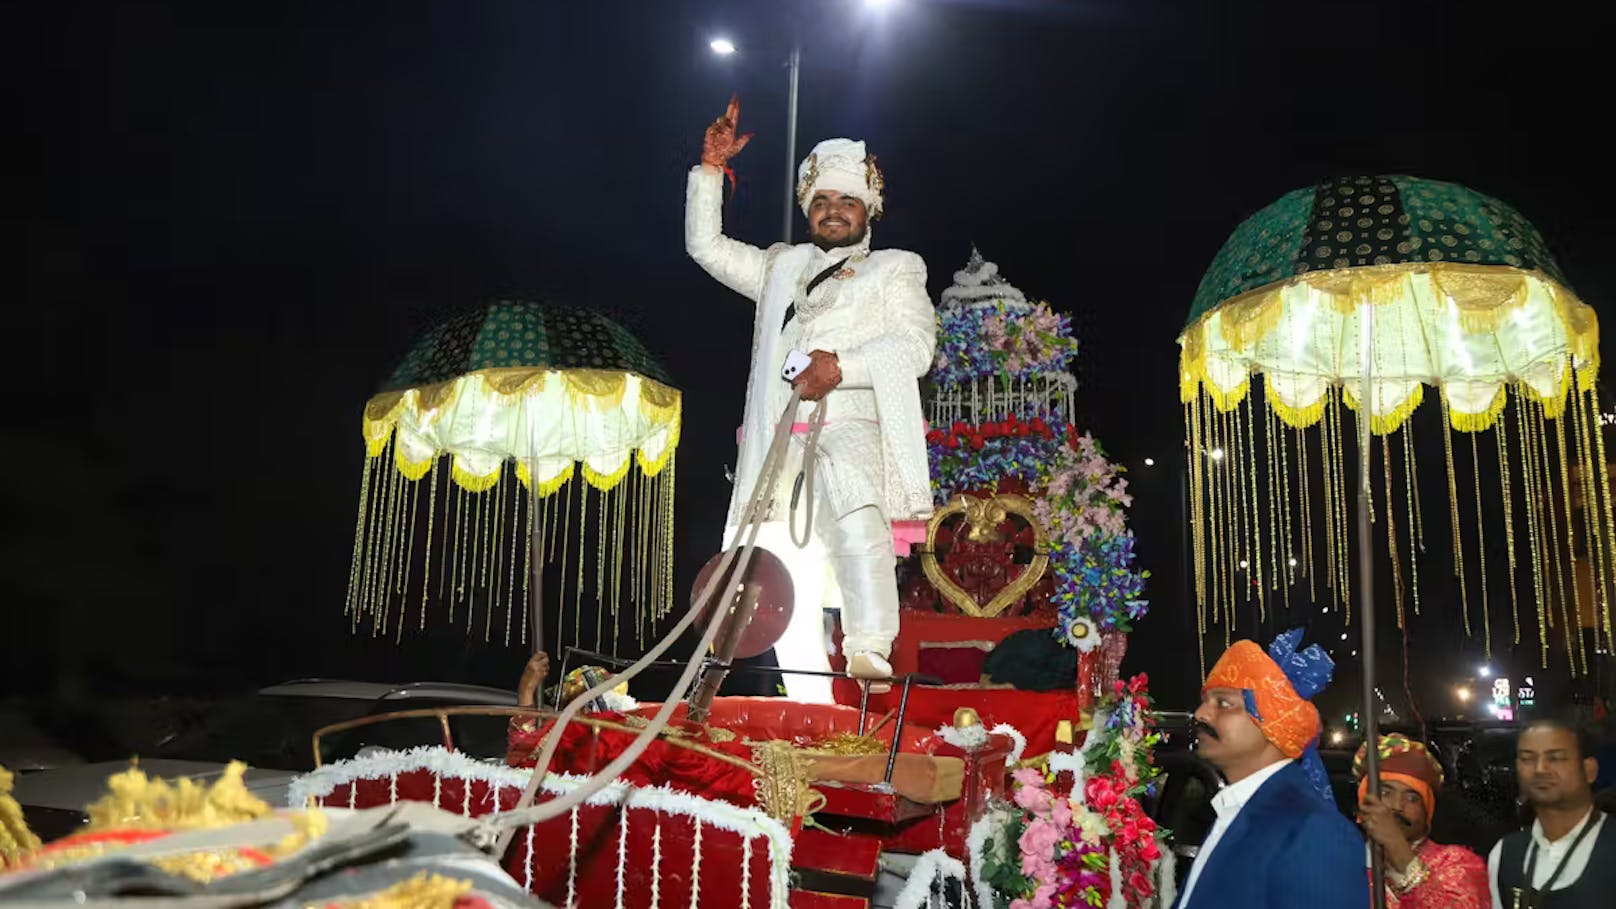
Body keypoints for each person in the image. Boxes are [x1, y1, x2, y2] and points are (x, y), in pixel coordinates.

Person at [685, 97, 936, 701]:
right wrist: (710, 173)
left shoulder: (895, 270)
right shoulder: (781, 267)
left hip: (846, 424)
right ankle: (808, 701)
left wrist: (839, 367)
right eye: (821, 201)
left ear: (867, 211)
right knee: (774, 568)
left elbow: (916, 347)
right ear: (808, 209)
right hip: (778, 436)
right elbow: (708, 248)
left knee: (852, 501)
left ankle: (870, 646)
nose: (832, 212)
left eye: (846, 201)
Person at [1172, 628, 1366, 909]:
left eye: (1224, 703)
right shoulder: (1236, 811)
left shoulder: (1315, 832)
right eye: (1205, 702)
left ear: (1273, 723)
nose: (1201, 714)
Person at [1488, 716, 1614, 908]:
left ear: (1589, 770)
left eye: (1555, 758)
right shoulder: (1505, 853)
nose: (1539, 769)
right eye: (1527, 758)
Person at [1354, 733, 1490, 908]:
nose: (1397, 806)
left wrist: (1396, 847)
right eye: (1385, 793)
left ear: (1427, 811)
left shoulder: (1458, 864)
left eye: (1412, 798)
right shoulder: (1341, 862)